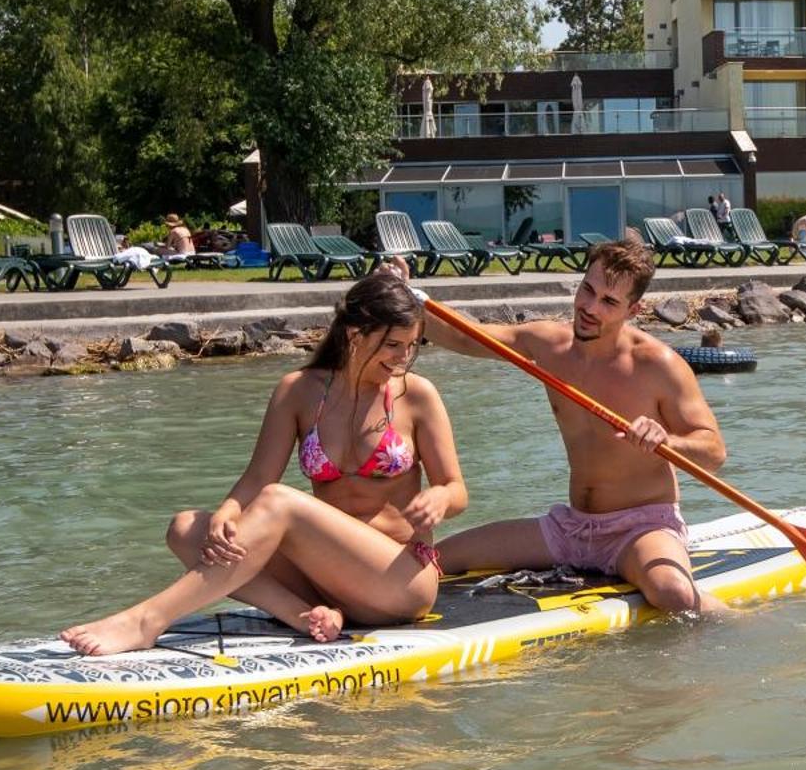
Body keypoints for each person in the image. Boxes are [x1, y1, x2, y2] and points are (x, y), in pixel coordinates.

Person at [59, 272, 469, 655]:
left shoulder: (416, 395)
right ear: (355, 334)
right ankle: (305, 614)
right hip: (325, 581)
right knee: (187, 530)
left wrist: (438, 498)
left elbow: (456, 489)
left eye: (412, 346)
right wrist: (228, 511)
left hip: (399, 578)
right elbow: (258, 477)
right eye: (394, 345)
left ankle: (147, 620)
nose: (404, 357)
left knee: (279, 503)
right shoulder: (298, 391)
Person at [409, 237, 729, 616]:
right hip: (570, 529)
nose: (590, 308)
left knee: (673, 594)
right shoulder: (549, 344)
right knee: (435, 557)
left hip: (640, 529)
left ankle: (743, 623)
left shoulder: (659, 364)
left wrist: (668, 440)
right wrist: (411, 299)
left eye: (609, 302)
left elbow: (714, 452)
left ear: (634, 309)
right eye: (587, 290)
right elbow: (467, 336)